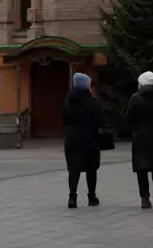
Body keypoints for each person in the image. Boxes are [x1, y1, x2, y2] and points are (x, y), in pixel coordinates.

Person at [126, 71, 153, 209]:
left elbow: (129, 118)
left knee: (142, 169)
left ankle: (145, 198)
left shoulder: (135, 98)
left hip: (140, 138)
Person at [62, 72, 102, 208]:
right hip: (90, 138)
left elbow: (65, 119)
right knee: (91, 168)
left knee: (74, 168)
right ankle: (91, 197)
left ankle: (72, 198)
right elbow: (99, 120)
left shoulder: (68, 101)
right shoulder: (93, 102)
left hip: (72, 138)